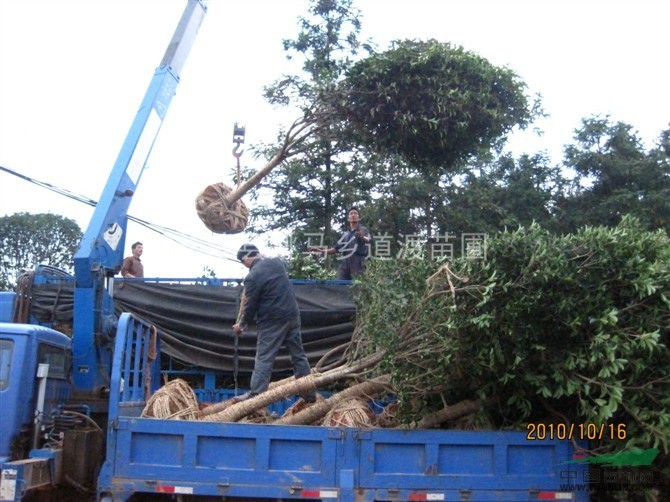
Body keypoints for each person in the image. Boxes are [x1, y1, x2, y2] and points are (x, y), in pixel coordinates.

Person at [232, 244, 316, 402]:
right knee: (298, 356)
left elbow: (250, 305)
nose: (245, 267)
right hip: (292, 315)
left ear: (246, 258)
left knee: (264, 357)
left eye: (243, 263)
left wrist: (242, 325)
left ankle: (256, 394)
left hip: (272, 321)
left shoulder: (252, 276)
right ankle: (309, 394)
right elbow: (286, 264)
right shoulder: (277, 262)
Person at [310, 207, 371, 280]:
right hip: (345, 262)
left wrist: (362, 237)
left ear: (359, 218)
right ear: (348, 218)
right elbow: (336, 249)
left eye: (355, 213)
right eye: (351, 213)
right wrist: (322, 251)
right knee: (340, 284)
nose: (353, 215)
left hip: (358, 262)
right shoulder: (346, 235)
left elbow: (368, 239)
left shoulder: (362, 229)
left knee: (357, 286)